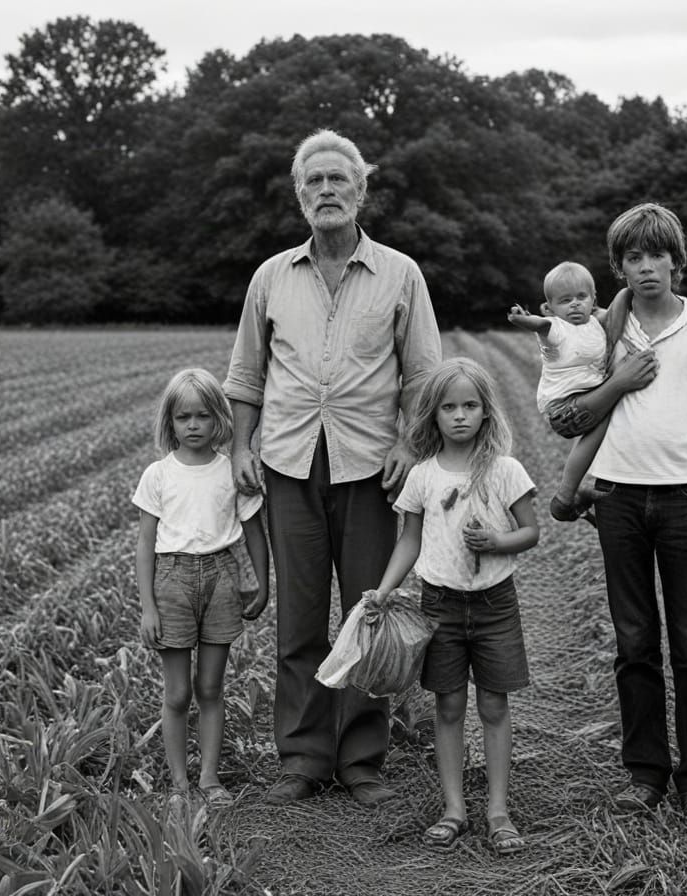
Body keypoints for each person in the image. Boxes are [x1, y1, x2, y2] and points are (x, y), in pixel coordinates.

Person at [223, 129, 443, 807]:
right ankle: (303, 757)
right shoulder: (270, 277)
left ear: (361, 190)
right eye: (313, 181)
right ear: (298, 193)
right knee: (299, 620)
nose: (326, 191)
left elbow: (425, 374)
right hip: (290, 462)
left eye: (337, 180)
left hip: (373, 467)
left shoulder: (401, 273)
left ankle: (362, 759)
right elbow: (246, 373)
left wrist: (410, 443)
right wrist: (238, 446)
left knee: (371, 609)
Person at [588, 203, 687, 831]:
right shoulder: (604, 331)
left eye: (657, 255)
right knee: (634, 642)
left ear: (677, 260)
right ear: (618, 266)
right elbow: (572, 403)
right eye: (633, 257)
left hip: (685, 501)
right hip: (618, 499)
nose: (646, 267)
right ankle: (645, 773)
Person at [372, 357, 539, 855]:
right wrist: (383, 590)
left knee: (492, 703)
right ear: (433, 415)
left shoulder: (504, 471)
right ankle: (453, 809)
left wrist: (496, 541)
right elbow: (409, 541)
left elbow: (530, 532)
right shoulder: (423, 476)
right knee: (448, 705)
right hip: (439, 604)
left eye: (470, 406)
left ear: (487, 412)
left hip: (494, 605)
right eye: (449, 407)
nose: (460, 416)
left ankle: (498, 810)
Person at [133, 368, 271, 816]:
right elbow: (145, 547)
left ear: (220, 420)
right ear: (169, 422)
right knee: (176, 694)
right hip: (172, 583)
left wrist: (262, 579)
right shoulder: (158, 475)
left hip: (222, 578)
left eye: (203, 416)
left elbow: (254, 531)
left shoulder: (231, 472)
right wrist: (148, 607)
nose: (193, 425)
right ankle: (177, 782)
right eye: (182, 417)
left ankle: (209, 777)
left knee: (210, 687)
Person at [507, 262, 653, 525]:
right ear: (551, 308)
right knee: (609, 414)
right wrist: (522, 319)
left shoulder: (594, 324)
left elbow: (613, 315)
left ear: (593, 300)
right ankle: (564, 497)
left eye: (581, 298)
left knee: (607, 423)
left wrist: (629, 290)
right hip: (564, 408)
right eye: (565, 301)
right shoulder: (556, 328)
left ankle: (575, 497)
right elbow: (540, 325)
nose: (574, 305)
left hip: (585, 401)